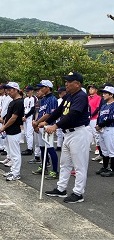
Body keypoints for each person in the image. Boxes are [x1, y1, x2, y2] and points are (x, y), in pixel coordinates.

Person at [42, 72, 92, 203]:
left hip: (79, 132)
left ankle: (78, 193)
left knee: (79, 165)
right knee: (65, 163)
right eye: (66, 81)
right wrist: (47, 122)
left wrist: (55, 126)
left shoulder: (81, 96)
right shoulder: (69, 95)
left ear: (78, 84)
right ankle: (61, 188)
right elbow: (59, 110)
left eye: (69, 81)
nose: (66, 84)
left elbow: (73, 115)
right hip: (68, 134)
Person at [31, 80, 59, 180]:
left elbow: (49, 114)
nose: (40, 89)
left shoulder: (52, 99)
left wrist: (37, 122)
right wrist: (36, 123)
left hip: (48, 126)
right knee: (42, 147)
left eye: (42, 87)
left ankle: (55, 171)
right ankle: (44, 167)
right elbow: (40, 112)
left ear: (48, 88)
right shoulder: (43, 99)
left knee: (50, 148)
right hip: (41, 126)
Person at [0, 82, 24, 181]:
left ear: (16, 90)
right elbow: (8, 116)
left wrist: (4, 127)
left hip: (14, 130)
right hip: (10, 130)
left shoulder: (19, 102)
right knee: (11, 152)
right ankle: (13, 170)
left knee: (15, 153)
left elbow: (14, 118)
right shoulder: (12, 101)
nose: (8, 92)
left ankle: (16, 173)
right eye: (8, 90)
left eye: (10, 90)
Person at [95, 86, 114, 177]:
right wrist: (98, 125)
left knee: (111, 150)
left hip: (110, 129)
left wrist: (100, 125)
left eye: (106, 93)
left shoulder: (113, 105)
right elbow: (99, 117)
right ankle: (105, 167)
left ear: (111, 95)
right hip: (102, 129)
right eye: (103, 93)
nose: (103, 95)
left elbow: (111, 119)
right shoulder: (103, 105)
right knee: (104, 150)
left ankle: (112, 170)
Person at [21, 86, 37, 155]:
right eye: (26, 91)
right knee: (26, 133)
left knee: (29, 133)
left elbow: (33, 109)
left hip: (30, 116)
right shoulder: (26, 99)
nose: (27, 92)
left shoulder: (34, 98)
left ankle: (30, 149)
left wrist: (26, 116)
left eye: (28, 91)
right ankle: (29, 147)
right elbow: (24, 108)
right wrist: (23, 116)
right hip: (26, 116)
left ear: (32, 91)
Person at [87, 84, 101, 155]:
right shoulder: (88, 97)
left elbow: (98, 108)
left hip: (94, 118)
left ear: (96, 90)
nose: (90, 90)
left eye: (92, 89)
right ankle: (88, 147)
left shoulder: (98, 98)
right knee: (88, 133)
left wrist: (91, 115)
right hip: (88, 118)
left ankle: (97, 148)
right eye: (89, 89)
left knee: (96, 133)